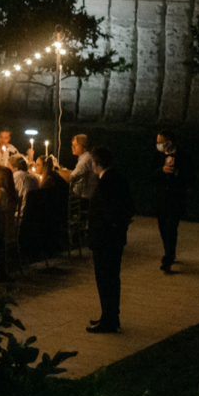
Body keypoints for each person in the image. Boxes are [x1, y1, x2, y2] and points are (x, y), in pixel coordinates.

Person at [87, 147, 134, 333]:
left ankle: (109, 318)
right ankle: (110, 315)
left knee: (105, 279)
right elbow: (129, 205)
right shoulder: (119, 178)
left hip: (105, 240)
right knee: (112, 278)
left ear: (97, 162)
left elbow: (108, 211)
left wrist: (112, 225)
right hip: (114, 239)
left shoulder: (106, 182)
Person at [153, 129, 195, 274]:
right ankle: (169, 251)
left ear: (169, 142)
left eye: (160, 142)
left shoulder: (184, 157)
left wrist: (176, 173)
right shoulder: (157, 156)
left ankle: (168, 257)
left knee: (171, 227)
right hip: (161, 199)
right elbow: (150, 174)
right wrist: (162, 171)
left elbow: (190, 177)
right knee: (163, 227)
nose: (158, 144)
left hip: (176, 198)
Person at [59, 134, 99, 201]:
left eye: (76, 145)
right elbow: (75, 172)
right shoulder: (86, 156)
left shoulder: (85, 160)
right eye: (72, 145)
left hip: (84, 199)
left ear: (84, 147)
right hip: (88, 195)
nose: (73, 147)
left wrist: (54, 170)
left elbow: (70, 178)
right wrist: (61, 170)